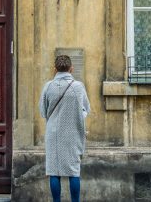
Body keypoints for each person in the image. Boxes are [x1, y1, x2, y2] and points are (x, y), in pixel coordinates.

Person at [40, 55, 91, 202]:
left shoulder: (48, 86)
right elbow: (86, 109)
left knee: (54, 171)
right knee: (73, 171)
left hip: (53, 134)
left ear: (54, 69)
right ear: (71, 69)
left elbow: (43, 111)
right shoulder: (78, 87)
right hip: (73, 133)